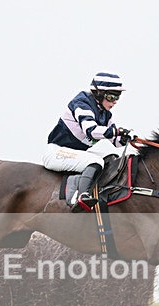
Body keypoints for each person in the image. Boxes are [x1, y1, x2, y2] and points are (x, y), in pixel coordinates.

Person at [43, 72, 135, 212]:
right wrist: (118, 131)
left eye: (117, 97)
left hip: (74, 153)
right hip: (56, 152)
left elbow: (116, 142)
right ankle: (81, 197)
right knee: (96, 161)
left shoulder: (105, 114)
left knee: (111, 157)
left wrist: (127, 138)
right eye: (111, 97)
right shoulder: (81, 103)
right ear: (99, 94)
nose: (114, 102)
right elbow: (91, 131)